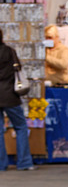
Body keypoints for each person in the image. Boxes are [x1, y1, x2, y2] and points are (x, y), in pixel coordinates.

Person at [0, 29, 35, 171]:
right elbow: (18, 69)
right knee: (20, 127)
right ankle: (24, 162)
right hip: (10, 95)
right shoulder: (9, 51)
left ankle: (1, 164)